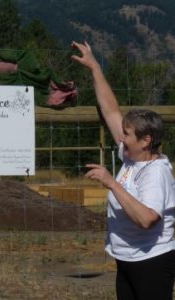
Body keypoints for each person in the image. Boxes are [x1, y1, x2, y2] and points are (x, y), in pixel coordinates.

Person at [71, 41, 175, 299]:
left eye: (126, 134)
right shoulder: (131, 155)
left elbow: (147, 219)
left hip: (151, 260)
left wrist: (112, 183)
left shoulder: (155, 172)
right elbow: (111, 109)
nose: (121, 136)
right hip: (128, 258)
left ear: (145, 140)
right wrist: (95, 67)